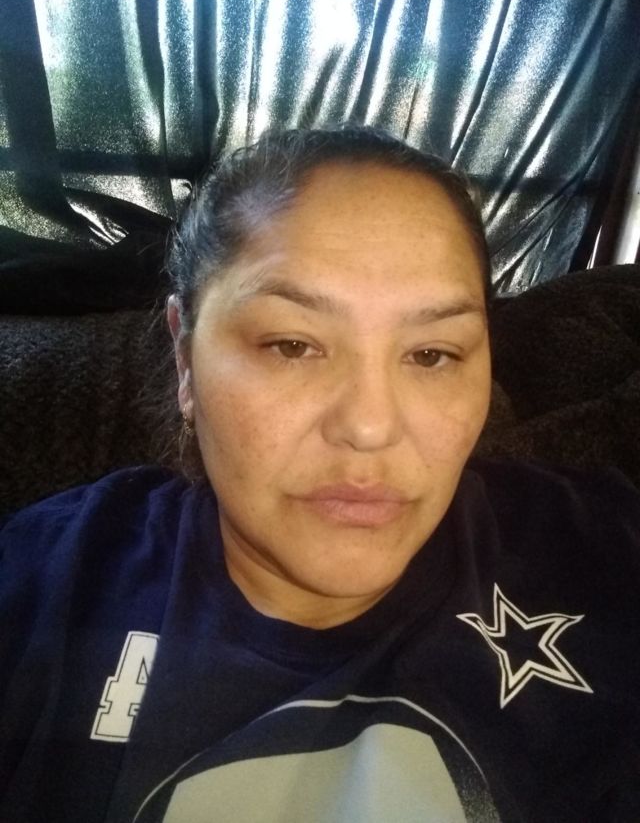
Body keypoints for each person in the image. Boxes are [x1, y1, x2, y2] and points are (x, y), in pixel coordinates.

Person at [1, 126, 639, 823]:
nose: (369, 426)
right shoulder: (45, 584)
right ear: (185, 358)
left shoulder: (603, 550)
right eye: (292, 345)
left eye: (432, 354)